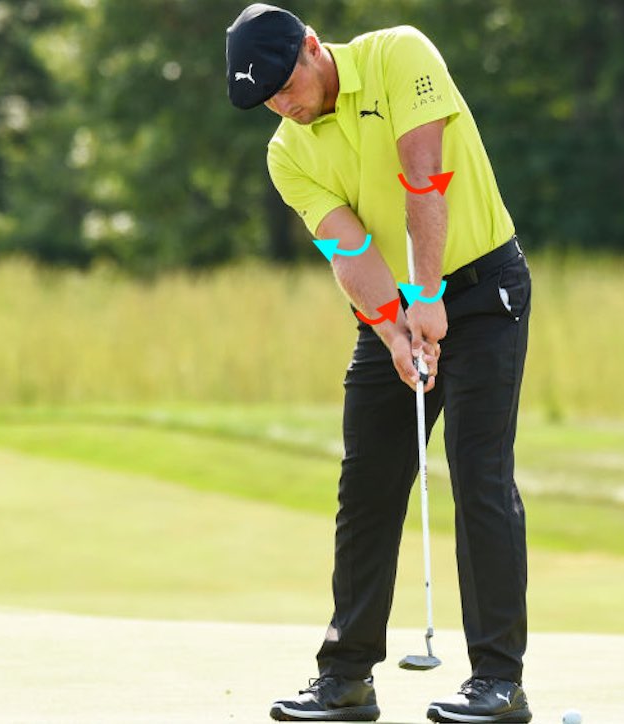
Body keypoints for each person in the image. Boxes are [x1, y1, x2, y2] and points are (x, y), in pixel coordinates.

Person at [225, 5, 532, 723]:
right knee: (367, 480)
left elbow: (424, 179)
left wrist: (430, 294)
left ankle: (498, 681)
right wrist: (394, 330)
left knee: (479, 472)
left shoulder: (400, 54)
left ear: (311, 46)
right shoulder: (287, 153)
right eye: (265, 98)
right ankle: (346, 678)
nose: (282, 104)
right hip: (395, 305)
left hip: (485, 289)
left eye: (283, 83)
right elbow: (349, 249)